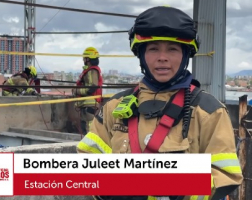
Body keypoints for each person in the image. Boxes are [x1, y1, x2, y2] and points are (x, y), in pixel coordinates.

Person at [77, 6, 243, 200]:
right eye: (153, 48)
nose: (162, 57)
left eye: (172, 49)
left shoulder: (208, 111)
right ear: (141, 55)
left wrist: (177, 189)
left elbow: (226, 175)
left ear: (185, 55)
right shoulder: (114, 107)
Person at [73, 47, 103, 135]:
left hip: (89, 104)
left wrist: (77, 91)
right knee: (85, 128)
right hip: (87, 104)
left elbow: (92, 87)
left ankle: (89, 147)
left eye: (84, 58)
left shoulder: (92, 71)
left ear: (87, 59)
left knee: (89, 129)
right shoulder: (90, 70)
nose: (83, 60)